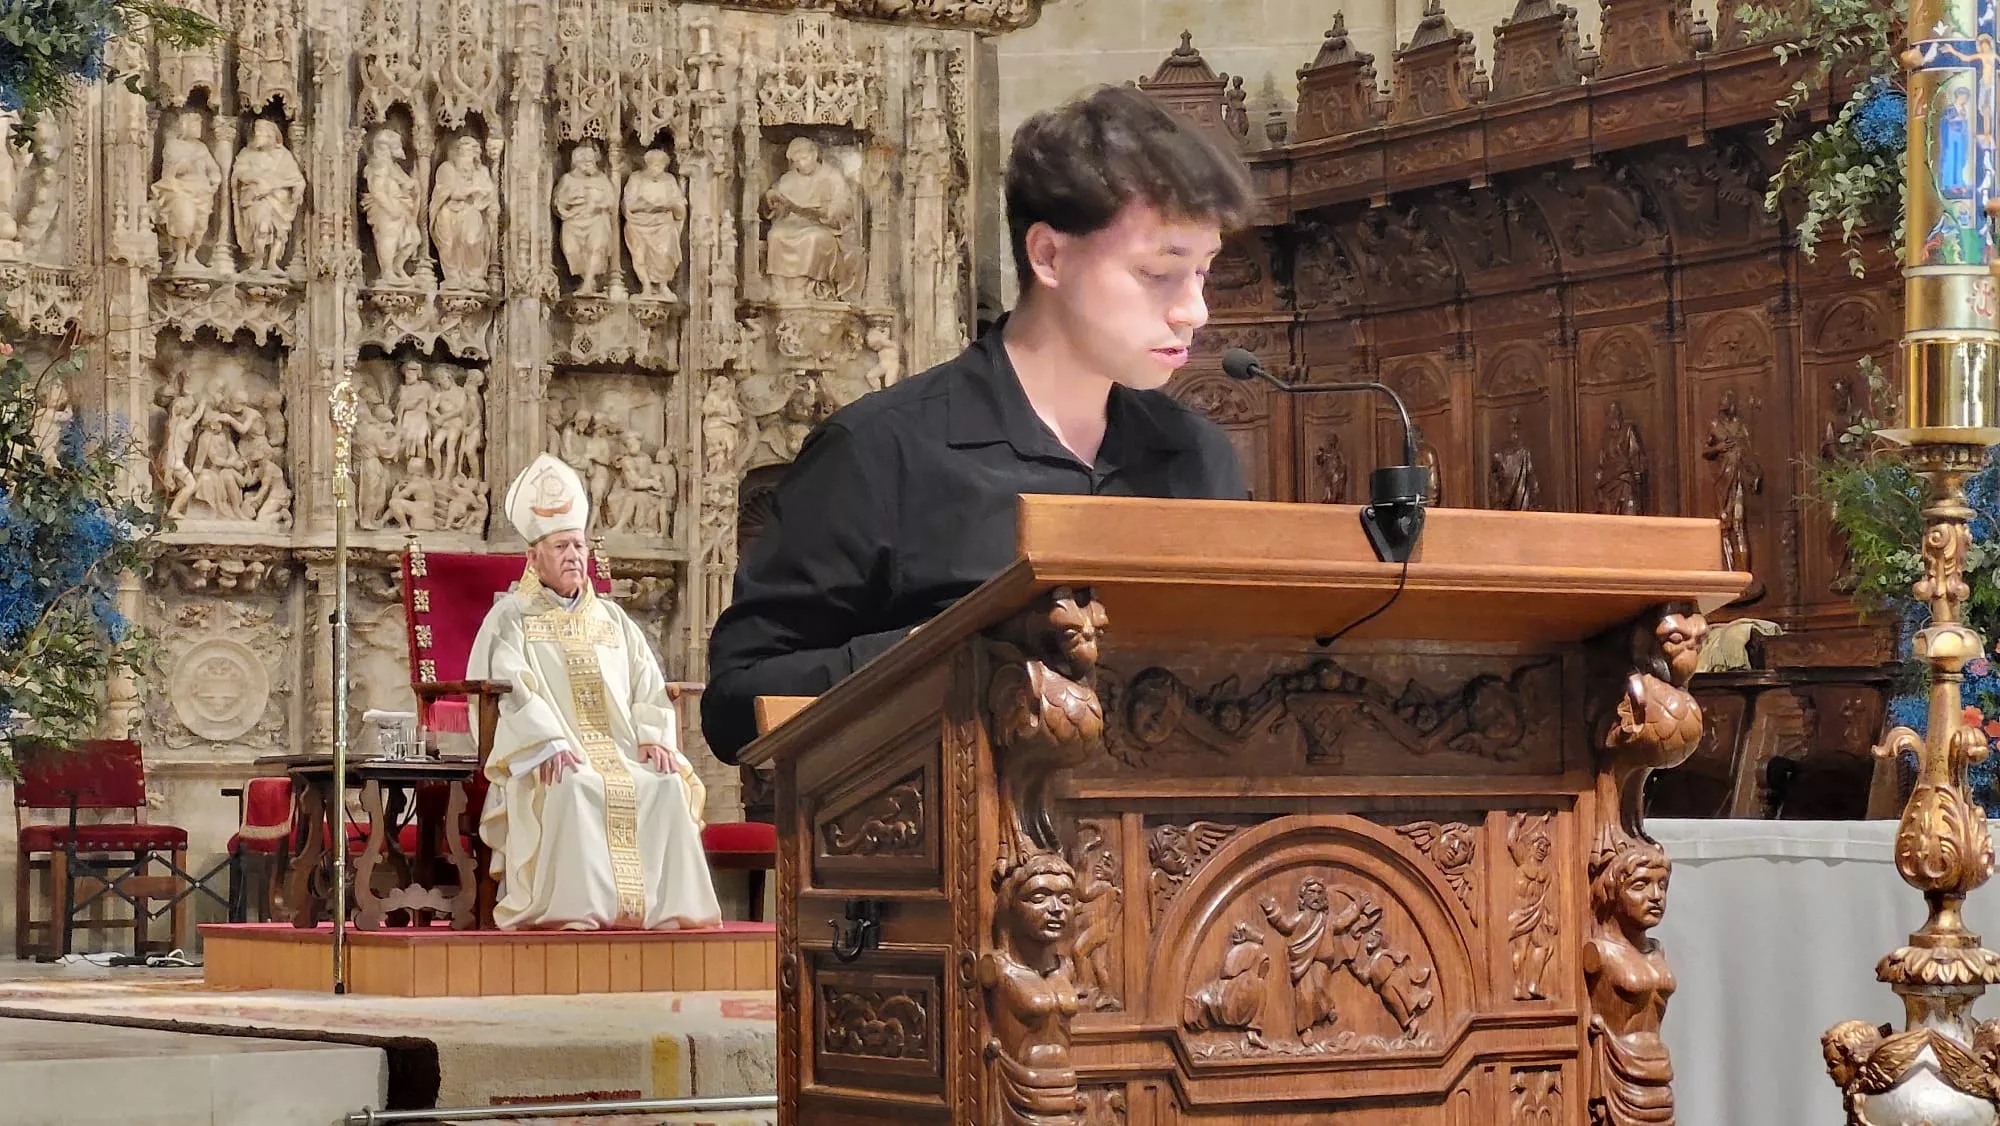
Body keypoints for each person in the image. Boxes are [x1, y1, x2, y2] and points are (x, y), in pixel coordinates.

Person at [702, 86, 1254, 762]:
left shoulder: (1200, 458)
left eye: (1203, 271)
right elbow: (735, 702)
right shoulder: (880, 452)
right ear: (1048, 255)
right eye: (1161, 272)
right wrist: (950, 655)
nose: (1194, 309)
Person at [468, 454, 720, 930]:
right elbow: (509, 690)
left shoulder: (612, 619)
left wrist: (653, 737)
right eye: (561, 546)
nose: (573, 556)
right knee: (574, 788)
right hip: (554, 755)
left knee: (666, 785)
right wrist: (546, 742)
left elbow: (648, 680)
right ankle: (574, 914)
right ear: (533, 556)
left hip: (621, 753)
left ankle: (667, 914)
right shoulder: (510, 619)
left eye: (579, 546)